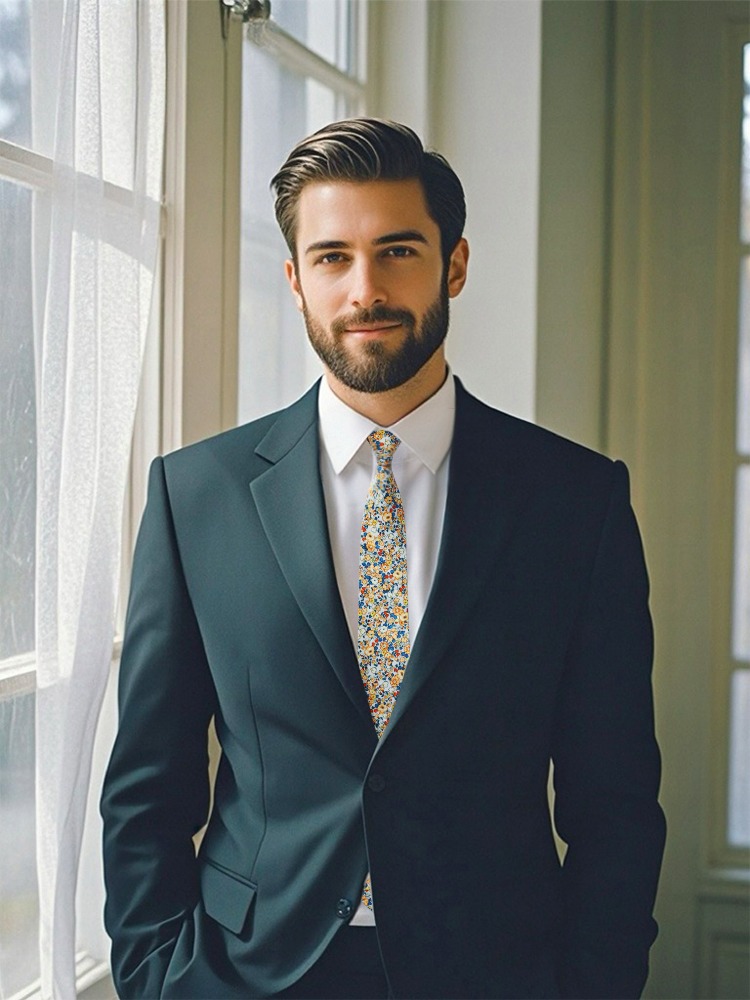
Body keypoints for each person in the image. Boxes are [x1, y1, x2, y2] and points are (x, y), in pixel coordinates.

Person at [101, 118, 666, 1000]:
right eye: (331, 257)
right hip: (245, 973)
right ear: (294, 281)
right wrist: (153, 977)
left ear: (456, 264)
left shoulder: (575, 503)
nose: (365, 289)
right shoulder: (194, 496)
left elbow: (617, 803)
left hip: (498, 972)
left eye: (397, 250)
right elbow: (146, 789)